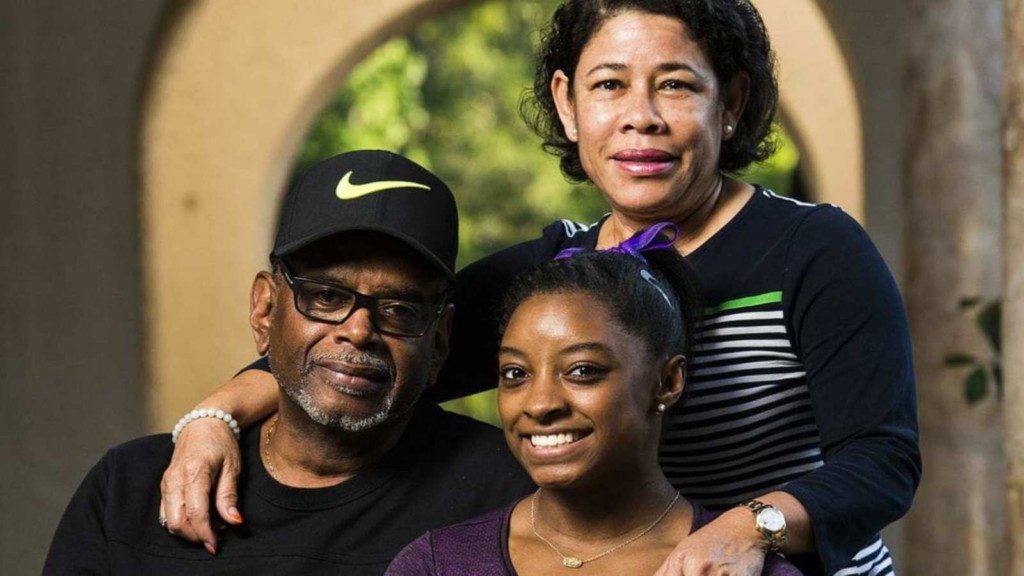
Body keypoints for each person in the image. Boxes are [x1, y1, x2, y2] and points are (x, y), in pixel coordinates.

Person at [161, 1, 920, 575]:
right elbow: (385, 353)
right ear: (567, 102)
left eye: (678, 85)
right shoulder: (558, 278)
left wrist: (744, 530)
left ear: (732, 103)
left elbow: (882, 460)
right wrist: (213, 415)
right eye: (609, 85)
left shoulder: (813, 249)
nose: (640, 119)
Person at [43, 151, 532, 575]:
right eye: (324, 296)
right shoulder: (130, 491)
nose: (359, 330)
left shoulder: (510, 493)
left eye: (400, 310)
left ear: (441, 342)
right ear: (264, 310)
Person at [387, 228, 801, 575]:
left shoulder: (740, 569)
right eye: (516, 374)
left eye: (582, 370)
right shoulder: (435, 564)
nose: (539, 404)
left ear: (668, 381)